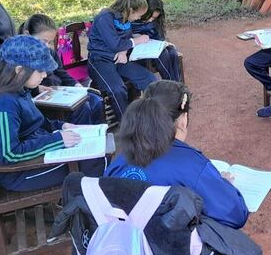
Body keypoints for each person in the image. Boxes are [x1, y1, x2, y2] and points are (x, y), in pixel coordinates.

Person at [0, 35, 105, 192]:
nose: (45, 75)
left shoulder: (20, 90)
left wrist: (61, 126)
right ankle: (83, 202)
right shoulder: (4, 104)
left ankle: (83, 198)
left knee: (95, 155)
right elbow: (9, 154)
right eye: (40, 70)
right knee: (92, 160)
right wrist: (57, 140)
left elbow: (35, 124)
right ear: (19, 71)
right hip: (18, 173)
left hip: (33, 156)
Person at [104, 80, 249, 229]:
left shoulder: (119, 161)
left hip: (124, 239)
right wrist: (225, 184)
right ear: (182, 120)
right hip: (168, 242)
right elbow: (236, 215)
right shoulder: (191, 164)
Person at [19, 13, 105, 125]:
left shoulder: (50, 52)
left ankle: (97, 131)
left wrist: (75, 84)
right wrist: (36, 89)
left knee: (96, 100)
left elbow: (60, 71)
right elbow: (17, 84)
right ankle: (82, 133)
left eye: (49, 42)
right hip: (43, 100)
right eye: (43, 41)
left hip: (59, 91)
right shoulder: (18, 56)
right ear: (27, 34)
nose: (47, 46)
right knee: (83, 109)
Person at [87, 0, 157, 121]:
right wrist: (136, 41)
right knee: (118, 89)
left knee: (149, 78)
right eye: (138, 15)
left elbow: (125, 38)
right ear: (130, 10)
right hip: (100, 61)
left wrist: (123, 51)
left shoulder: (125, 17)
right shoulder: (104, 18)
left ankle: (153, 114)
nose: (139, 18)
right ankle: (126, 124)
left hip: (120, 58)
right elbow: (115, 44)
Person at [132, 0, 181, 82]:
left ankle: (177, 84)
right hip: (139, 54)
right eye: (150, 17)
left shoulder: (155, 22)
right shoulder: (134, 19)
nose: (151, 20)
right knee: (163, 54)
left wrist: (165, 44)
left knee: (172, 52)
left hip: (153, 48)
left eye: (154, 18)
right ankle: (171, 84)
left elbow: (158, 37)